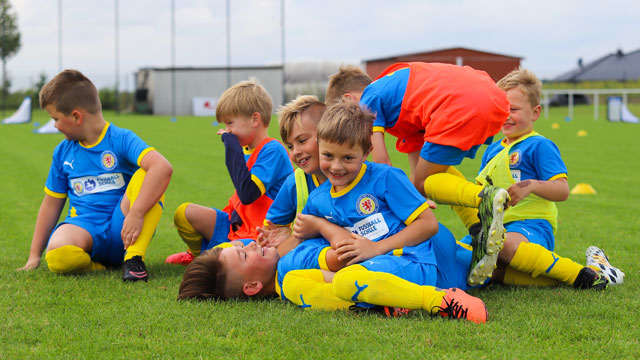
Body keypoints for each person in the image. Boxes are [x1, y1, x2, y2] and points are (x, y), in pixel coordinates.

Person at [177, 101, 490, 324]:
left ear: (364, 152)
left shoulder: (381, 178)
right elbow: (301, 231)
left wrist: (318, 228)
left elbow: (426, 225)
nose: (336, 166)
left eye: (347, 157)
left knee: (480, 258)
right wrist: (302, 228)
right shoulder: (314, 198)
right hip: (393, 264)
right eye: (328, 155)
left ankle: (447, 288)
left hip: (419, 256)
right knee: (346, 281)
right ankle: (421, 297)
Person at [325, 64, 511, 284]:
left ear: (350, 98)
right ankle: (478, 225)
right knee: (429, 177)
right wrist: (415, 203)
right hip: (490, 95)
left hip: (457, 103)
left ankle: (483, 199)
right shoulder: (402, 106)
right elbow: (417, 176)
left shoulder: (369, 98)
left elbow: (382, 162)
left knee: (425, 181)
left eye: (346, 114)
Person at [460, 68, 621, 288]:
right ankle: (589, 272)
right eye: (501, 109)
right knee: (461, 258)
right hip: (493, 230)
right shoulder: (492, 150)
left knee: (503, 248)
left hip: (531, 227)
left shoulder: (540, 145)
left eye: (514, 109)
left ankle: (588, 273)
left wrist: (532, 185)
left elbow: (562, 190)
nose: (506, 115)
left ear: (535, 113)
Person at [17, 69, 173, 282]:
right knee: (57, 256)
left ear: (76, 116)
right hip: (85, 228)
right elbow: (52, 203)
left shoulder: (121, 138)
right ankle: (97, 266)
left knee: (149, 172)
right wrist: (34, 256)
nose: (54, 125)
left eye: (55, 118)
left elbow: (163, 168)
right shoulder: (63, 152)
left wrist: (136, 214)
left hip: (125, 229)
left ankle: (134, 259)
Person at [165, 80, 293, 265]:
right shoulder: (246, 149)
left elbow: (248, 193)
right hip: (235, 225)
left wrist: (231, 146)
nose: (227, 131)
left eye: (230, 123)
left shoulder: (273, 150)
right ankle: (196, 255)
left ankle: (213, 256)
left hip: (257, 237)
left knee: (222, 255)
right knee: (184, 213)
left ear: (255, 119)